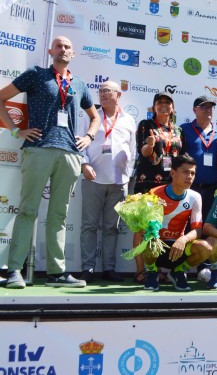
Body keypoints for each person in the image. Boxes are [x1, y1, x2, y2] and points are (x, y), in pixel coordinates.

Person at [0, 36, 99, 289]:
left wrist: (88, 136)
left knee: (58, 215)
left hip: (69, 153)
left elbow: (94, 117)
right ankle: (14, 271)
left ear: (73, 54)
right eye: (59, 46)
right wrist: (16, 131)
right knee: (27, 210)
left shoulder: (79, 83)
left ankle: (57, 273)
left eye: (67, 46)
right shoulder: (35, 74)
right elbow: (2, 98)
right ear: (50, 51)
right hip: (38, 149)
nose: (63, 49)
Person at [79, 80, 136, 283]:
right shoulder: (91, 116)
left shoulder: (129, 120)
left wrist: (127, 177)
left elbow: (133, 150)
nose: (102, 94)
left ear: (118, 95)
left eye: (107, 91)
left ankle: (109, 268)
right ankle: (88, 268)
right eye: (100, 91)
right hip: (93, 178)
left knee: (112, 227)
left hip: (119, 181)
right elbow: (80, 142)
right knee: (89, 226)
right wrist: (84, 165)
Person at [132, 91, 184, 284]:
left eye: (167, 102)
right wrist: (150, 145)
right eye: (159, 102)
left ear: (172, 108)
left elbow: (180, 159)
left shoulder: (178, 131)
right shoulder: (146, 125)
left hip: (169, 186)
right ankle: (140, 271)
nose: (164, 105)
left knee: (161, 229)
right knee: (142, 229)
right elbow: (143, 153)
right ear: (154, 107)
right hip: (148, 184)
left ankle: (159, 270)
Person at [141, 154, 212, 291]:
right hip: (158, 247)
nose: (190, 176)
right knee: (147, 240)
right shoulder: (154, 193)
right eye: (185, 172)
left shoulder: (195, 196)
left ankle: (178, 272)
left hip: (179, 249)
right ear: (173, 173)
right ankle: (152, 272)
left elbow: (197, 230)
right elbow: (144, 227)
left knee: (206, 247)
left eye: (193, 173)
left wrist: (184, 239)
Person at [180, 96, 217, 219]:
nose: (208, 110)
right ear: (194, 110)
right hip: (190, 186)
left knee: (207, 225)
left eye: (211, 107)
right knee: (188, 225)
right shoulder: (184, 129)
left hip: (212, 189)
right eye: (204, 107)